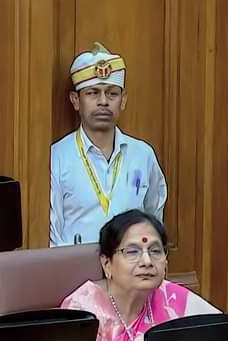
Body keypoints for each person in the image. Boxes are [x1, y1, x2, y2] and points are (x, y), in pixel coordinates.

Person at [61, 210, 219, 341]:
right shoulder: (84, 309)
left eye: (155, 251)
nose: (147, 261)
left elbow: (226, 336)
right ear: (107, 264)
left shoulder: (172, 298)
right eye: (132, 252)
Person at [50, 43, 167, 246]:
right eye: (93, 93)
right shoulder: (57, 157)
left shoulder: (143, 155)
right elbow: (53, 231)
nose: (103, 101)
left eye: (112, 93)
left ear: (123, 100)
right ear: (76, 100)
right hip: (75, 272)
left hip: (132, 271)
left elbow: (154, 218)